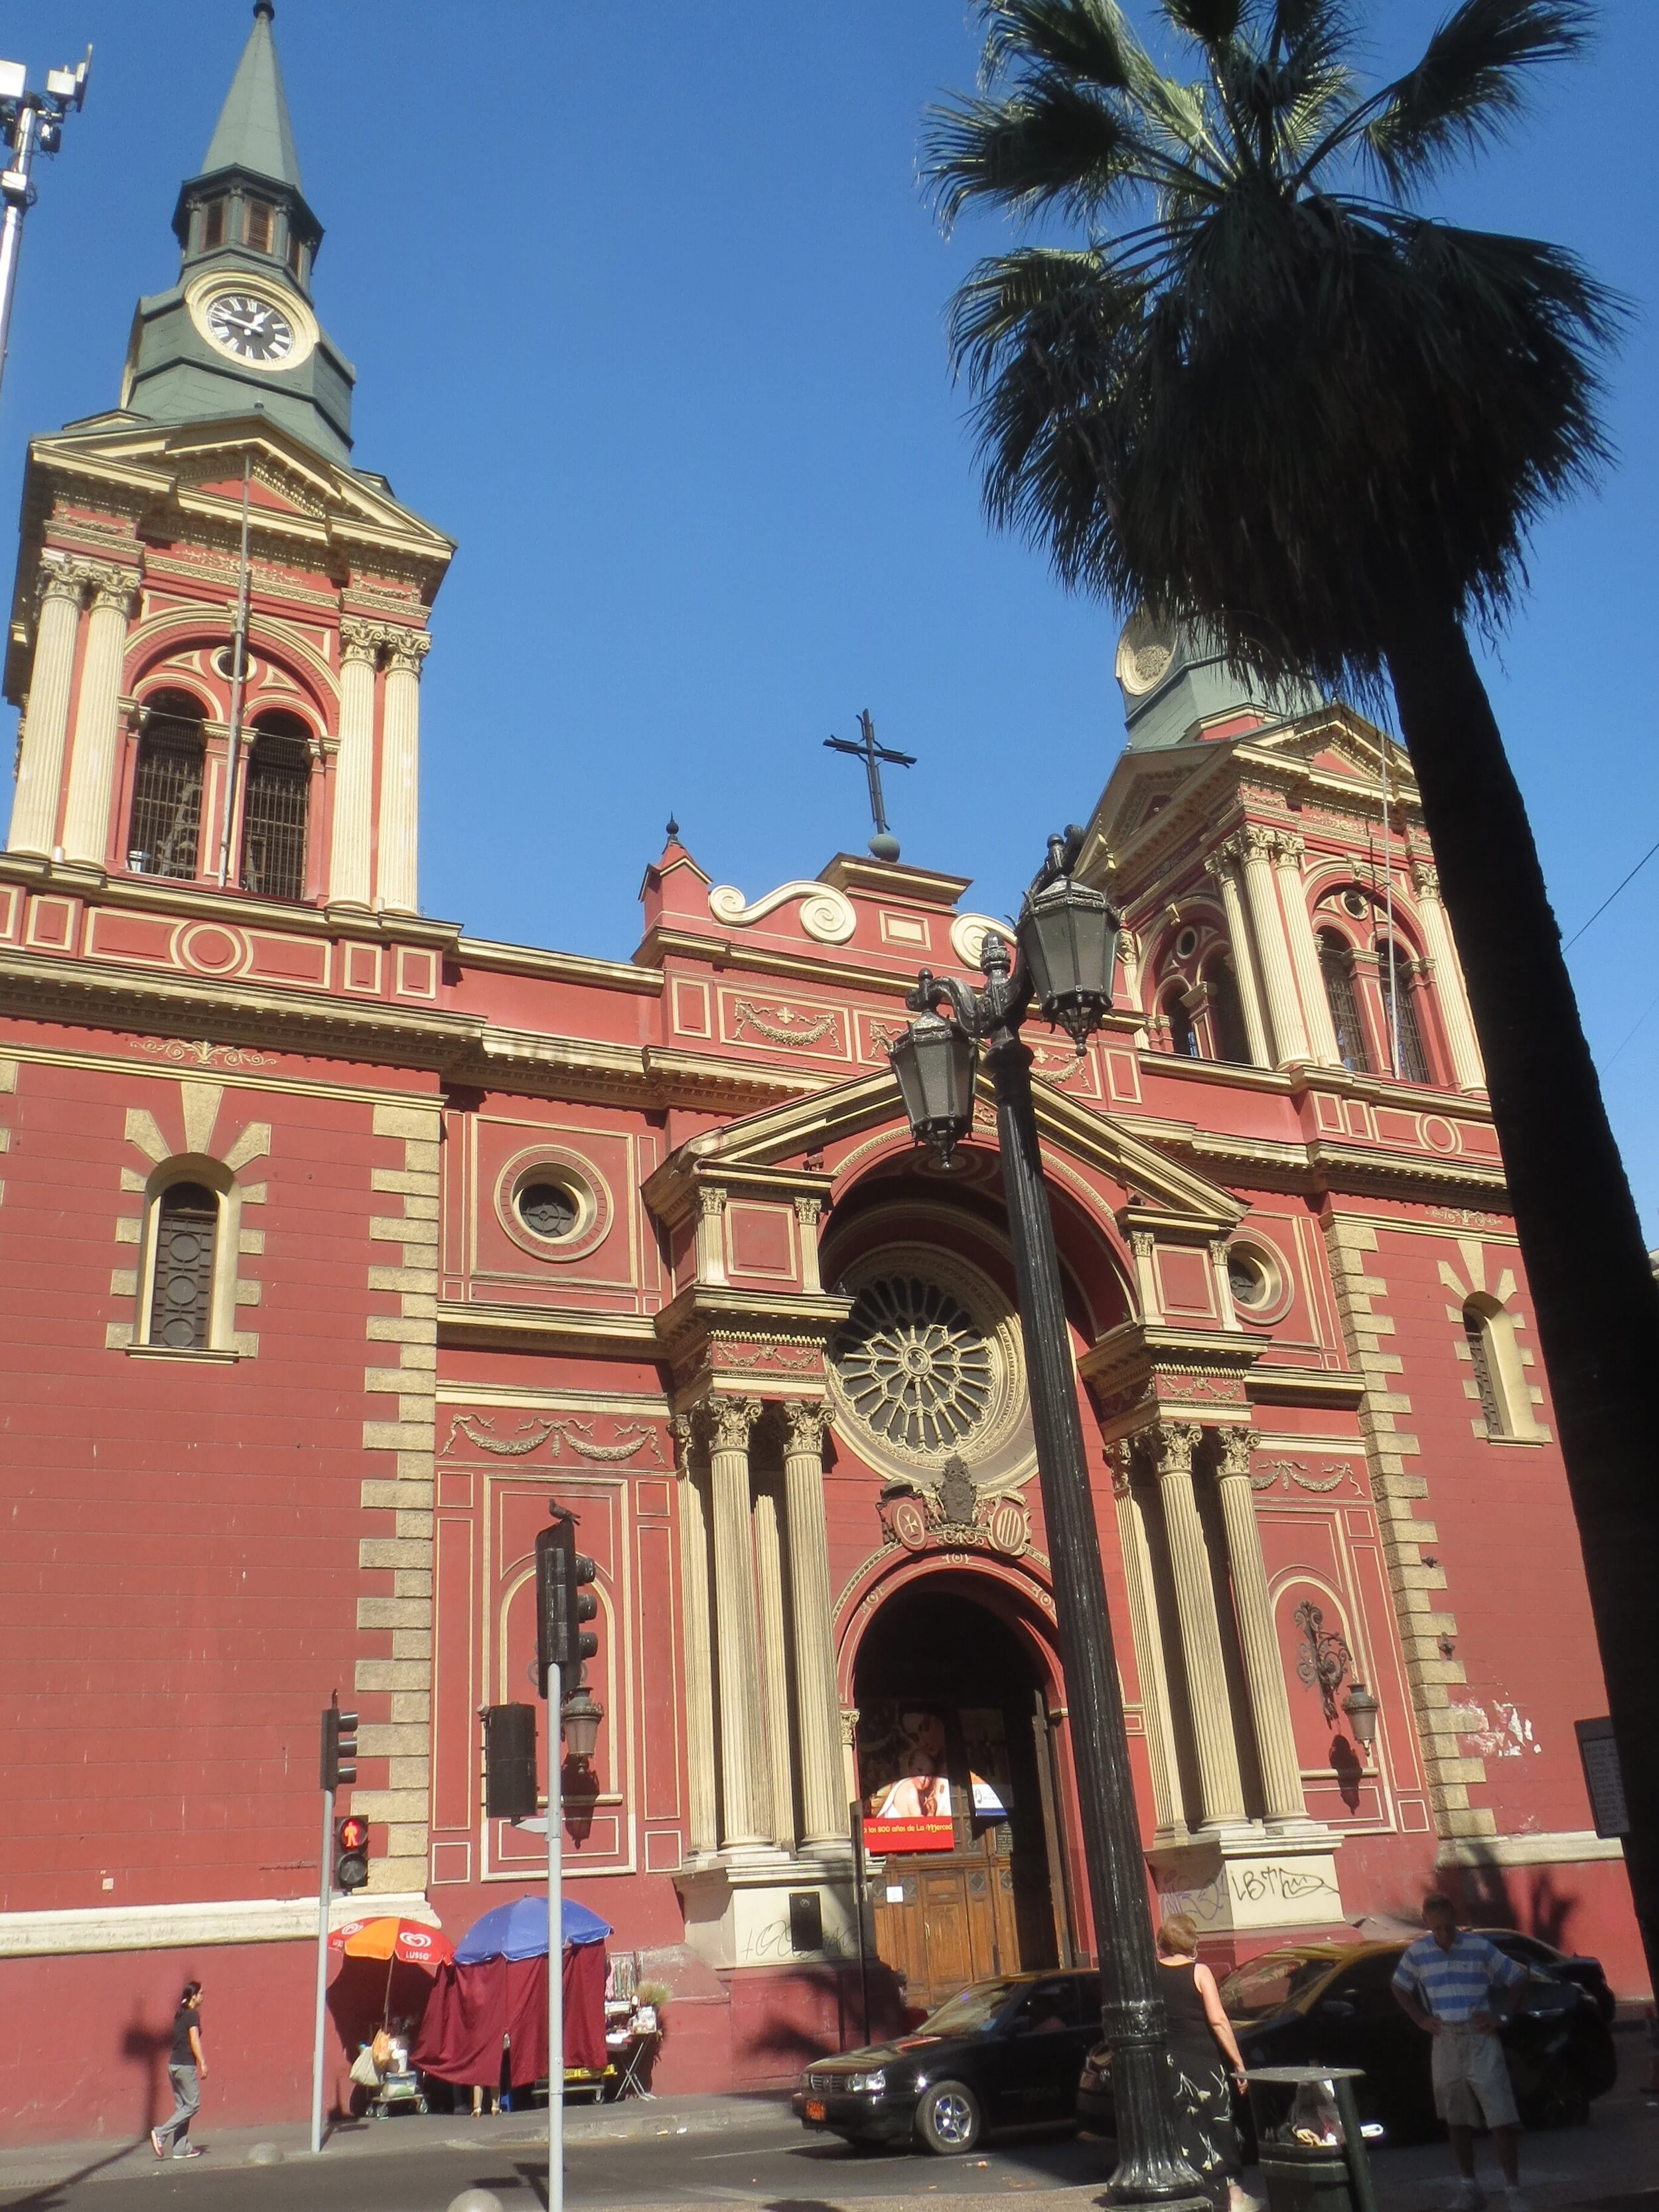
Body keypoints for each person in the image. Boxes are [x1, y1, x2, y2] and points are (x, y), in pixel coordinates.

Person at [1392, 1892, 1530, 2211]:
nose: (1443, 1934)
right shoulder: (1418, 1953)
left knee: (1500, 2117)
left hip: (1479, 2035)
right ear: (1426, 1923)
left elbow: (1518, 1978)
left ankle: (1513, 2191)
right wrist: (1420, 2018)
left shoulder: (1479, 1948)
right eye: (1436, 1928)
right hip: (1445, 2039)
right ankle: (1470, 2187)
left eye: (1448, 1926)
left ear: (1455, 1919)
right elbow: (1399, 1986)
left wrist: (1503, 2016)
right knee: (1456, 2117)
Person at [1155, 1914, 1260, 2212]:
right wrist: (1238, 2063)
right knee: (1219, 2122)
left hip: (1171, 2061)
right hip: (1204, 2060)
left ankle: (1194, 2192)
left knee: (1184, 2126)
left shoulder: (1151, 1973)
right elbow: (1217, 2019)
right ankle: (1234, 2196)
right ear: (1191, 1942)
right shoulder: (1199, 1972)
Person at [151, 1980, 207, 2160]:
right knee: (193, 2105)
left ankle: (181, 2148)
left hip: (173, 2066)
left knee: (183, 2107)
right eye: (201, 1994)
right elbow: (194, 2041)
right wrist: (202, 2062)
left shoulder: (180, 2014)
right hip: (185, 2066)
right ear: (194, 1997)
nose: (203, 1997)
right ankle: (161, 2133)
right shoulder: (192, 2015)